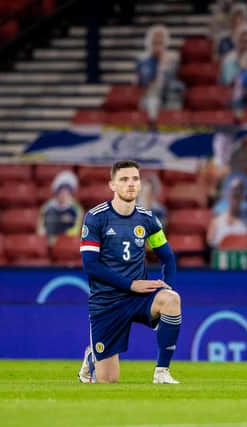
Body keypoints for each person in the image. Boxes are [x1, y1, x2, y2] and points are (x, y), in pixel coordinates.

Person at [77, 160, 180, 384]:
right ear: (112, 185)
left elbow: (168, 258)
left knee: (171, 300)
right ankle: (93, 355)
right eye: (124, 179)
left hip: (138, 298)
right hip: (107, 302)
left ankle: (162, 372)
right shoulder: (96, 217)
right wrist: (130, 284)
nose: (130, 184)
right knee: (108, 381)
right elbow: (90, 265)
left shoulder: (148, 219)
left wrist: (167, 285)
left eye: (135, 179)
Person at [136, 25, 185, 119]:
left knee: (174, 96)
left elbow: (172, 79)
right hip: (150, 93)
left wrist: (162, 63)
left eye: (160, 42)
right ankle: (152, 126)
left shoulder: (173, 57)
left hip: (168, 93)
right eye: (155, 42)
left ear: (165, 43)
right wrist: (154, 62)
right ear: (149, 42)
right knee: (150, 101)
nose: (157, 45)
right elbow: (142, 82)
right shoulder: (142, 60)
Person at [37, 170, 84, 245]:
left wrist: (62, 239)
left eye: (66, 192)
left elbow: (76, 229)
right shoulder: (48, 206)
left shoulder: (76, 208)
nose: (63, 195)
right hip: (48, 241)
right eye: (61, 192)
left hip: (67, 242)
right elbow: (41, 227)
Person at [207, 176, 247, 248]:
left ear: (242, 196)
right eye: (233, 190)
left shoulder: (244, 228)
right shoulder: (216, 222)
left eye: (239, 190)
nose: (236, 193)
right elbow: (209, 246)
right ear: (227, 193)